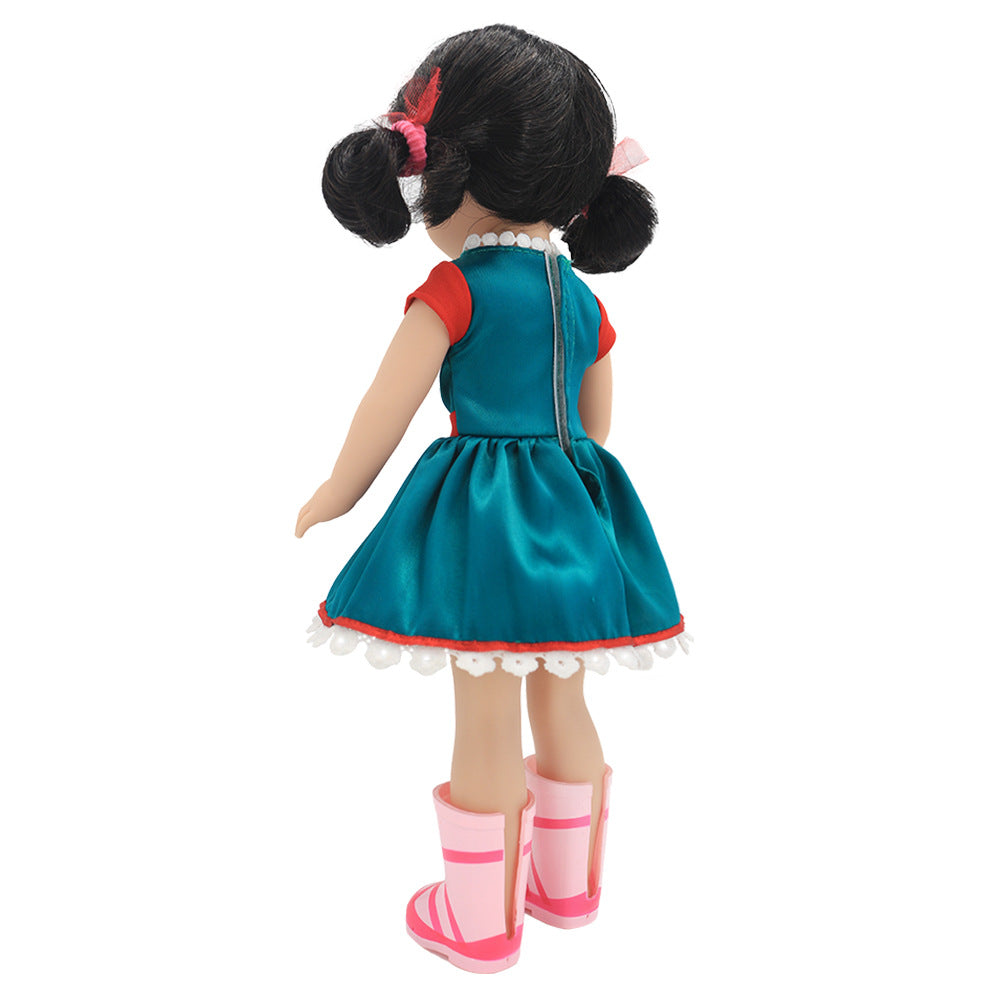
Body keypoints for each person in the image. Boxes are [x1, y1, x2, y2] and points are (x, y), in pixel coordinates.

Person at [295, 23, 689, 974]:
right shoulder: (583, 302)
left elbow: (384, 410)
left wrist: (337, 492)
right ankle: (567, 888)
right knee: (563, 692)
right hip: (573, 513)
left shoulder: (454, 290)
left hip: (482, 522)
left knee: (483, 707)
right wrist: (562, 490)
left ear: (449, 175)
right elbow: (595, 426)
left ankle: (478, 920)